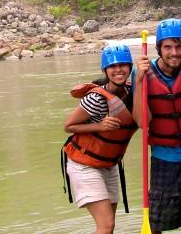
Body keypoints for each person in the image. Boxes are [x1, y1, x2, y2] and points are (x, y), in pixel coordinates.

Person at [132, 18, 181, 234]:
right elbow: (141, 122)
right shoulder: (142, 73)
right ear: (159, 49)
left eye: (179, 46)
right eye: (168, 47)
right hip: (164, 160)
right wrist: (138, 82)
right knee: (157, 223)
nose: (174, 52)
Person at [62, 44, 137, 234]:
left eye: (123, 65)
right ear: (105, 70)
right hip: (83, 164)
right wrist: (100, 125)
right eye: (112, 66)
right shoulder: (96, 98)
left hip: (108, 165)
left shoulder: (133, 92)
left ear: (130, 67)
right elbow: (68, 126)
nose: (118, 70)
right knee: (106, 225)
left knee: (108, 226)